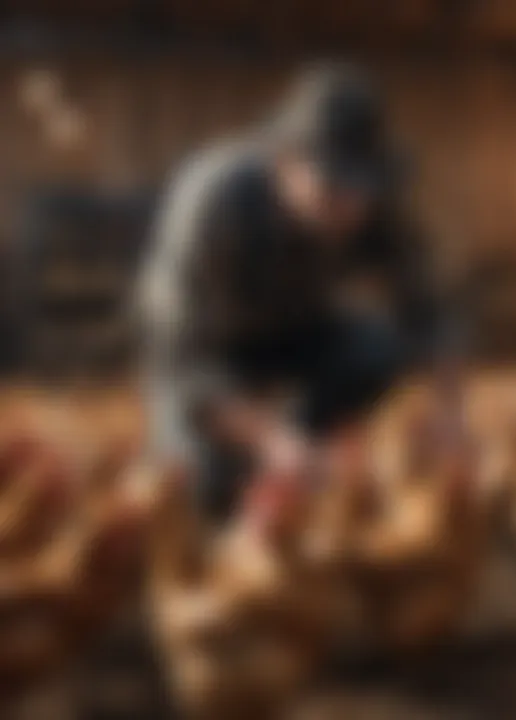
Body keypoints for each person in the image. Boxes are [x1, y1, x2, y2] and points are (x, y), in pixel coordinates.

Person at [138, 63, 445, 520]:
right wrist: (270, 440)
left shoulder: (367, 200)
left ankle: (307, 441)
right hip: (211, 357)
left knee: (381, 346)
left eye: (363, 190)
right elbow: (184, 366)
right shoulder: (210, 202)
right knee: (202, 486)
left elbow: (427, 306)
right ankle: (273, 454)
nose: (350, 208)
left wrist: (452, 415)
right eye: (331, 188)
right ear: (284, 164)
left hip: (298, 332)